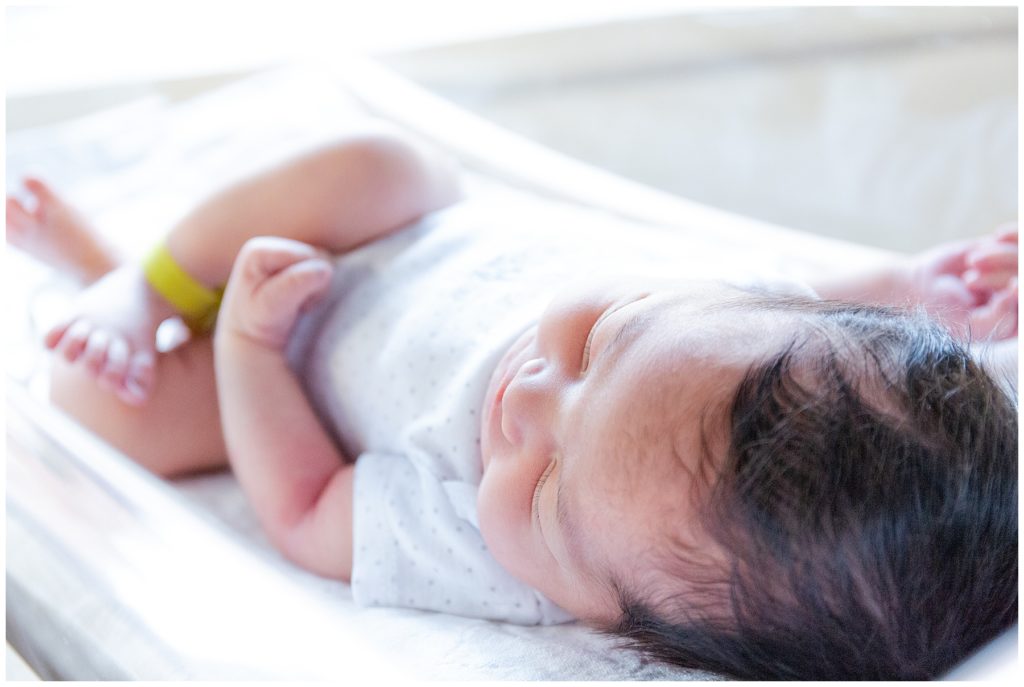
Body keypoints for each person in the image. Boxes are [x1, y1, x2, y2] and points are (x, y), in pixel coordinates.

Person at [7, 122, 1018, 679]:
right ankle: (144, 285)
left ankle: (104, 275)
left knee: (107, 407)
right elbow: (807, 300)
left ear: (606, 617)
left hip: (290, 361)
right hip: (392, 229)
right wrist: (908, 284)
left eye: (539, 489)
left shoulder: (495, 565)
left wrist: (251, 350)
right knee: (382, 160)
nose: (529, 400)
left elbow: (305, 507)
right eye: (605, 339)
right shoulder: (728, 335)